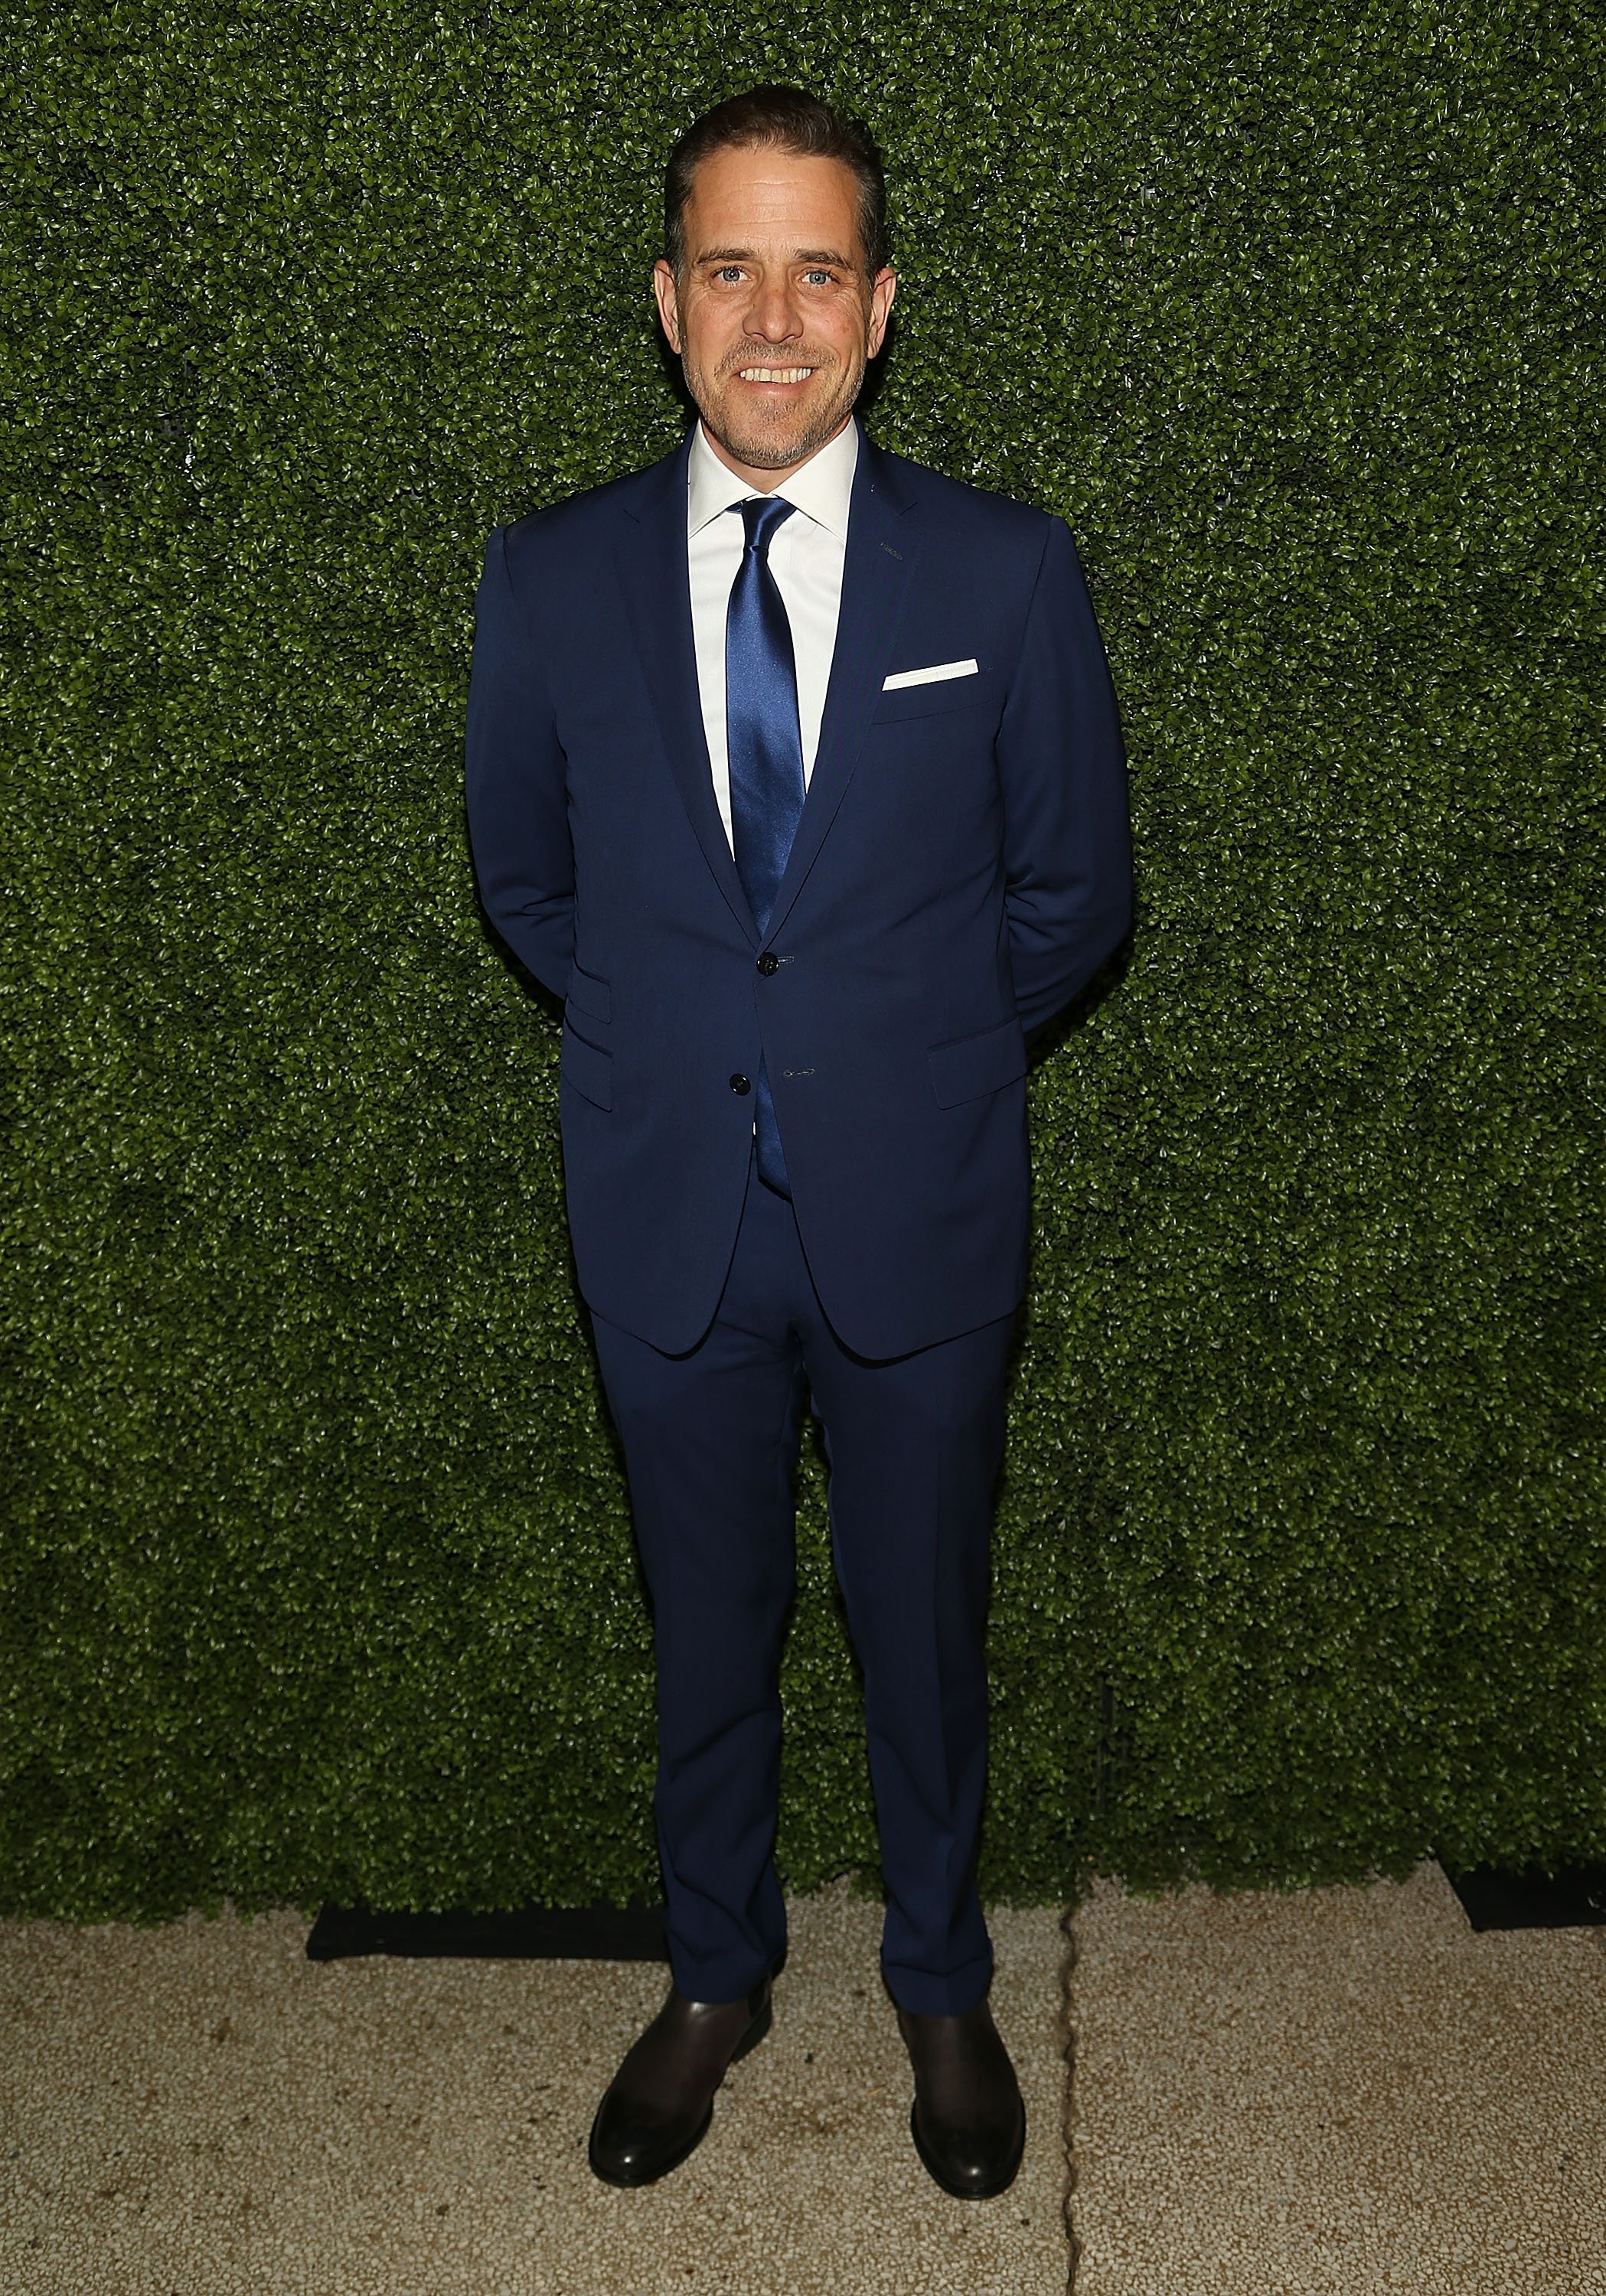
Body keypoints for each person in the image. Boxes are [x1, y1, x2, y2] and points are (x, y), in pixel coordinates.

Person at [465, 85, 1131, 2199]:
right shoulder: (549, 576)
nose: (775, 317)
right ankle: (714, 1974)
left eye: (816, 268)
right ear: (666, 304)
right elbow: (527, 885)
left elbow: (1072, 897)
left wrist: (892, 1053)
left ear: (880, 305)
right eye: (730, 268)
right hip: (664, 1205)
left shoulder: (1005, 573)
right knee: (703, 1622)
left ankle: (940, 1987)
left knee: (923, 1628)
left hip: (916, 1203)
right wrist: (700, 1045)